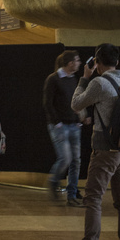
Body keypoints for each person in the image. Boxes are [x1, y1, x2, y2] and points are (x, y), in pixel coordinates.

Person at [62, 43, 120, 240]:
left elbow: (76, 104)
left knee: (93, 199)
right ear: (117, 61)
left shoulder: (99, 82)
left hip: (105, 149)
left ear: (96, 62)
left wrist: (84, 79)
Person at [43, 50, 87, 206]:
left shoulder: (73, 79)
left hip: (74, 125)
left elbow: (74, 102)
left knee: (76, 160)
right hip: (60, 126)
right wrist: (57, 122)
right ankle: (54, 180)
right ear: (70, 63)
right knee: (66, 158)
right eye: (77, 60)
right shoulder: (53, 79)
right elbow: (48, 103)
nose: (79, 63)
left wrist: (79, 119)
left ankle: (72, 192)